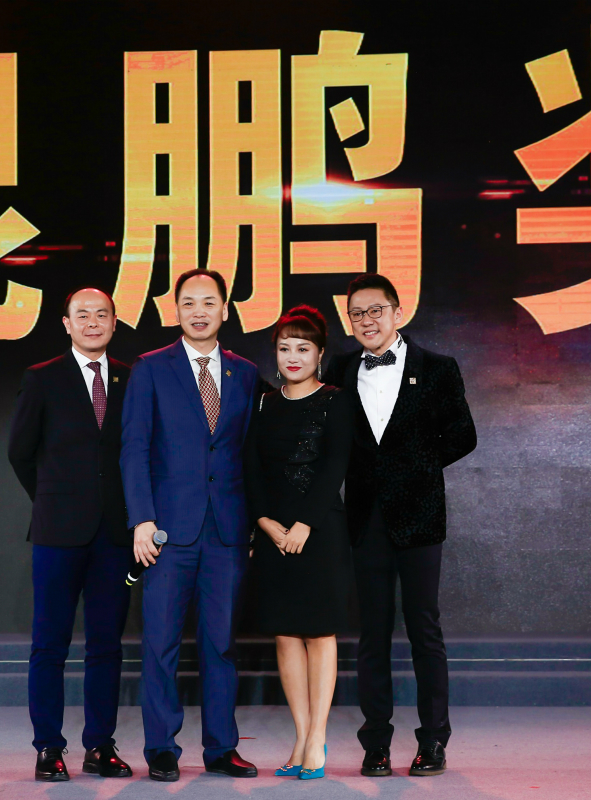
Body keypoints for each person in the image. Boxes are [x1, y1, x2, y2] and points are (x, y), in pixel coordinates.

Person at [323, 274, 477, 778]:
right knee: (372, 634)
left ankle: (433, 740)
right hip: (364, 519)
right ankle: (376, 744)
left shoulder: (437, 367)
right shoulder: (340, 369)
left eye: (375, 311)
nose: (366, 321)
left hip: (420, 518)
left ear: (397, 312)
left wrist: (414, 470)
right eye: (356, 314)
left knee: (424, 630)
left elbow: (463, 435)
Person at [120, 268, 261, 782]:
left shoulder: (245, 373)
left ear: (225, 309)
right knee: (160, 643)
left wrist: (251, 525)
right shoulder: (151, 369)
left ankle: (222, 748)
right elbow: (134, 448)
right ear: (174, 310)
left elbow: (248, 453)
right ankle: (161, 746)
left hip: (226, 531)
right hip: (166, 533)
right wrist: (141, 519)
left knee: (221, 643)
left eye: (208, 302)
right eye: (188, 303)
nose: (199, 312)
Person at [7, 287, 135, 782]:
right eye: (82, 315)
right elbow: (20, 452)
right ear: (66, 323)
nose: (92, 322)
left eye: (102, 314)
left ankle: (100, 745)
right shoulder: (41, 378)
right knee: (50, 644)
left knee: (106, 645)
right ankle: (48, 747)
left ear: (115, 321)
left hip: (115, 535)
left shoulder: (130, 377)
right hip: (57, 533)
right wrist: (53, 500)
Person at [243, 306, 354, 781]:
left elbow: (335, 466)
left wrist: (305, 524)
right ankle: (301, 735)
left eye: (302, 348)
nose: (292, 356)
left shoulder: (335, 400)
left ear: (319, 353)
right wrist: (266, 523)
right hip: (272, 532)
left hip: (320, 531)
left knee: (319, 633)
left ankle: (317, 738)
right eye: (284, 348)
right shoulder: (262, 403)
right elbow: (250, 468)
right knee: (285, 634)